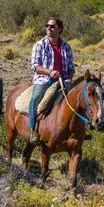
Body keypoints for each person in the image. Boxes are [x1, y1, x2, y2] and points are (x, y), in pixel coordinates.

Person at [28, 16, 75, 144]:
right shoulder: (39, 45)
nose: (48, 28)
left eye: (52, 26)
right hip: (44, 80)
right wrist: (50, 72)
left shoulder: (66, 47)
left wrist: (69, 79)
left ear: (59, 29)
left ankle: (79, 130)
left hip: (63, 81)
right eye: (47, 25)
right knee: (35, 99)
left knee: (78, 100)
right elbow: (35, 66)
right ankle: (33, 130)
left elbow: (71, 67)